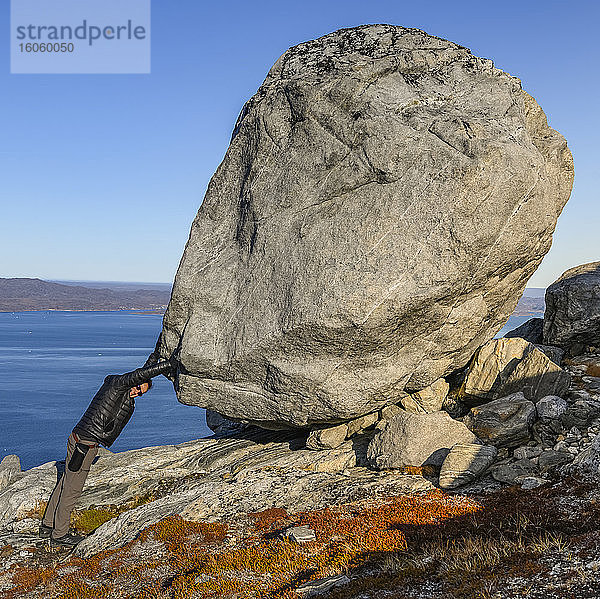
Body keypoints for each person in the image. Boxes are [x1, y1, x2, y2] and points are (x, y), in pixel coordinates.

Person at [40, 356, 174, 547]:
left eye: (141, 393)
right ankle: (59, 535)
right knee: (72, 489)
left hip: (80, 438)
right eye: (137, 387)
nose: (137, 392)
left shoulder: (120, 388)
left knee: (65, 481)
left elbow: (142, 373)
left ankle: (47, 525)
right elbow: (140, 374)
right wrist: (169, 365)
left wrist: (155, 356)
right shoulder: (119, 385)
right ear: (134, 382)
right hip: (85, 444)